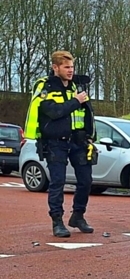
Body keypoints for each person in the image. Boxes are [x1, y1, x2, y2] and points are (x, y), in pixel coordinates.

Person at [31, 51, 96, 237]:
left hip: (78, 141)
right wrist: (76, 101)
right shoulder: (45, 87)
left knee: (86, 181)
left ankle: (78, 216)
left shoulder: (77, 86)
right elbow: (54, 112)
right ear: (55, 67)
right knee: (57, 182)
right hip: (55, 143)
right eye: (66, 67)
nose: (70, 71)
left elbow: (88, 113)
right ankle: (57, 222)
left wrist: (91, 136)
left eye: (72, 67)